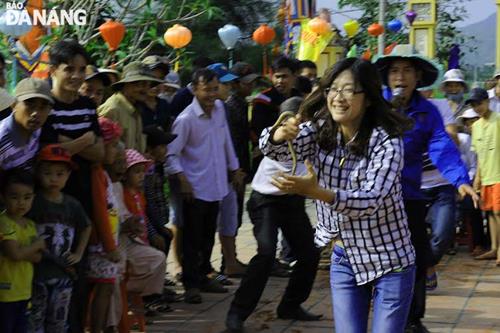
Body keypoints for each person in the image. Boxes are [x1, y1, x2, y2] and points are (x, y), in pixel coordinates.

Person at [375, 44, 479, 333]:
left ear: (418, 77)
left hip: (409, 196)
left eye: (407, 70)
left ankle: (412, 320)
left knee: (417, 258)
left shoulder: (427, 111)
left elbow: (441, 146)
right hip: (372, 197)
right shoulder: (374, 106)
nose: (400, 77)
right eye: (395, 70)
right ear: (386, 77)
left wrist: (461, 180)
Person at [225, 94, 321, 333]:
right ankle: (236, 314)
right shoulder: (275, 135)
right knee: (266, 254)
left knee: (309, 253)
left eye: (301, 118)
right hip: (264, 202)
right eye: (289, 119)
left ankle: (290, 305)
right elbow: (269, 141)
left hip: (293, 201)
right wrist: (279, 133)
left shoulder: (312, 134)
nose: (295, 124)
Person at [42, 39, 104, 333]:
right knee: (48, 271)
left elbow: (100, 153)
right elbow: (49, 152)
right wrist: (83, 143)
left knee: (78, 271)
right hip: (48, 201)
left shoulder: (87, 107)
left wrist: (67, 146)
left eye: (82, 70)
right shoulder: (42, 106)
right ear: (53, 70)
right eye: (70, 69)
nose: (78, 76)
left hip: (83, 199)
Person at [166, 68, 243, 304]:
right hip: (195, 188)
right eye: (206, 89)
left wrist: (235, 167)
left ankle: (203, 276)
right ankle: (190, 284)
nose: (212, 94)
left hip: (216, 184)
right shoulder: (186, 119)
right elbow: (171, 154)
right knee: (192, 238)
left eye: (214, 88)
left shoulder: (220, 109)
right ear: (194, 89)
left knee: (208, 235)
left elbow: (226, 141)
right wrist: (182, 179)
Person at [28, 145, 91, 333]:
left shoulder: (72, 204)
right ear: (38, 172)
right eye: (47, 173)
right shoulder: (33, 201)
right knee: (35, 320)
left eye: (59, 174)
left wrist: (78, 253)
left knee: (58, 321)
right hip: (36, 273)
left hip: (63, 273)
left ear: (68, 175)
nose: (53, 179)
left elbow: (86, 226)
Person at [86, 117, 122, 333]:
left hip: (106, 242)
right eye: (112, 145)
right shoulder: (96, 174)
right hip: (101, 245)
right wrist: (110, 246)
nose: (116, 150)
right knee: (104, 286)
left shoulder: (102, 174)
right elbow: (100, 210)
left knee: (106, 286)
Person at [122, 148, 168, 312]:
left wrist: (154, 234)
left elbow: (144, 217)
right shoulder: (123, 194)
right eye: (136, 172)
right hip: (129, 241)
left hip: (143, 239)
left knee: (155, 261)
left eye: (143, 171)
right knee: (149, 263)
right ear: (126, 174)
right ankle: (131, 295)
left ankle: (143, 298)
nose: (141, 175)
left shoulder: (139, 194)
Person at [0, 170, 45, 333]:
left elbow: (38, 257)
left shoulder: (30, 225)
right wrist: (36, 245)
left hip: (24, 292)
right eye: (14, 197)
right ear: (3, 197)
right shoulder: (4, 223)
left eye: (27, 197)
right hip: (5, 293)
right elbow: (15, 254)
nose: (21, 203)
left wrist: (25, 252)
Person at [98, 61, 163, 152]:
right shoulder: (113, 109)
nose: (145, 89)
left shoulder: (136, 108)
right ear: (125, 85)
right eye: (140, 85)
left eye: (148, 85)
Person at [250, 56, 299, 176]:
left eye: (284, 76)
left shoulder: (300, 98)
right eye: (277, 77)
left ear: (294, 77)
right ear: (272, 77)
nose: (280, 81)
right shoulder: (263, 100)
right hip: (268, 156)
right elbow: (258, 130)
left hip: (296, 155)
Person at [468, 88, 500, 264]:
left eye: (479, 103)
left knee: (498, 212)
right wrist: (477, 179)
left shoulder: (498, 120)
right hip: (487, 175)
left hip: (498, 174)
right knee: (490, 214)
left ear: (487, 101)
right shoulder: (476, 126)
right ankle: (494, 248)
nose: (477, 107)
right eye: (474, 105)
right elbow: (478, 156)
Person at [0, 78, 53, 172]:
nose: (36, 113)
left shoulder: (36, 129)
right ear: (14, 105)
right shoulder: (2, 140)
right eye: (30, 105)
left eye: (42, 107)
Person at [457, 109, 489, 256]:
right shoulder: (463, 139)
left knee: (482, 206)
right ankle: (477, 242)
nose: (471, 125)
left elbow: (474, 166)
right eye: (468, 122)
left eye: (474, 121)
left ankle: (485, 241)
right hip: (461, 184)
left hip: (483, 180)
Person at [143, 126, 177, 256]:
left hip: (159, 221)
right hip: (151, 224)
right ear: (150, 150)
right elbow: (148, 202)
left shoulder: (158, 167)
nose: (166, 150)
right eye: (162, 147)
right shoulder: (147, 173)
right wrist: (157, 228)